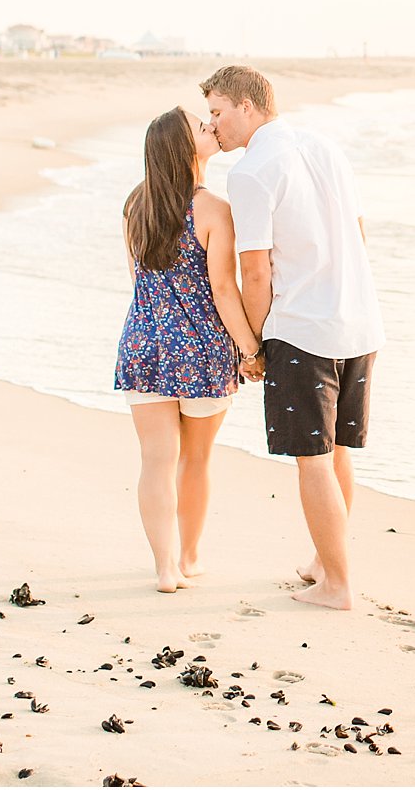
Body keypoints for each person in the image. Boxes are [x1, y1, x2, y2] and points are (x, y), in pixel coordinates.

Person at [203, 65, 384, 611]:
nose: (214, 126)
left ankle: (338, 586)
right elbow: (357, 230)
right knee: (336, 451)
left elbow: (254, 272)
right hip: (359, 320)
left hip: (303, 329)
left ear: (248, 107)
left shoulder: (253, 171)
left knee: (311, 458)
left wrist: (253, 346)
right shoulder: (325, 146)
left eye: (218, 112)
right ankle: (323, 563)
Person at [114, 106, 263, 593]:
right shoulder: (214, 210)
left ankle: (164, 568)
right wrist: (250, 348)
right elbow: (223, 288)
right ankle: (190, 557)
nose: (210, 128)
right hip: (200, 350)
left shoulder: (134, 206)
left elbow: (139, 280)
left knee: (154, 459)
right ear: (184, 147)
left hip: (144, 343)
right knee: (195, 460)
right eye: (201, 127)